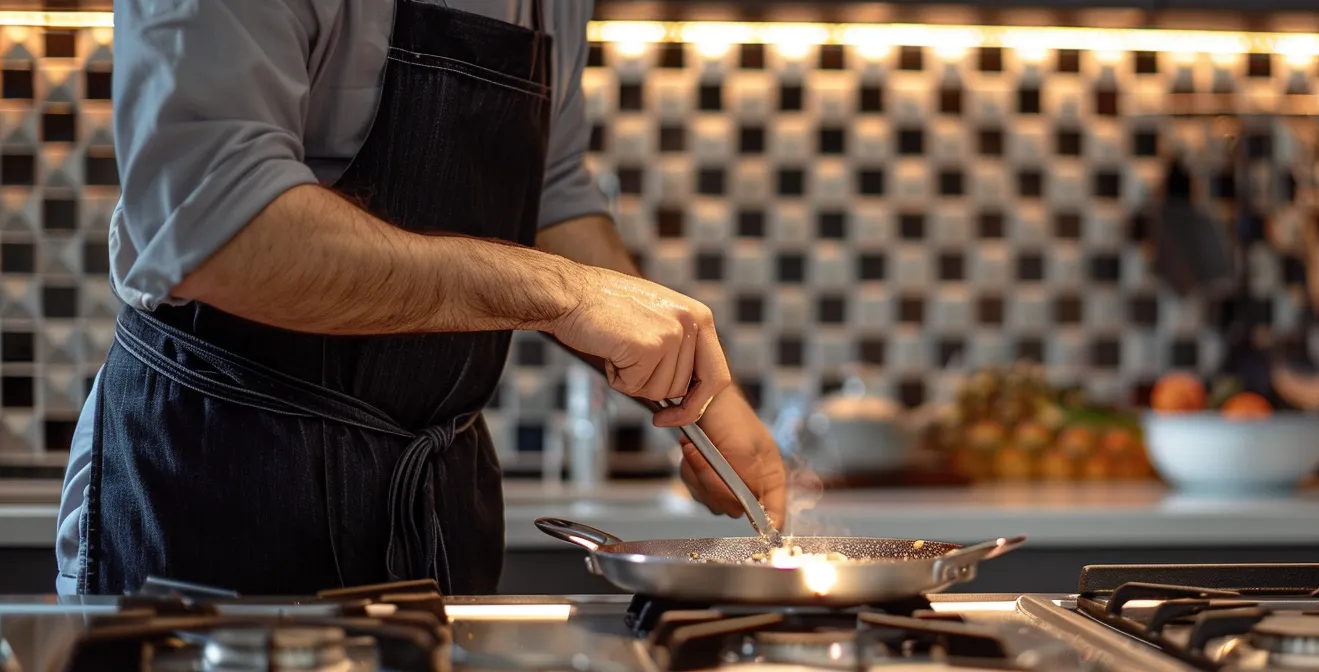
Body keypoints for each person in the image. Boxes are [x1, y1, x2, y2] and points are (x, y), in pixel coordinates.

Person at [53, 0, 786, 595]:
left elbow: (552, 190)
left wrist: (697, 392)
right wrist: (562, 293)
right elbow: (211, 221)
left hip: (434, 511)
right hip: (211, 494)